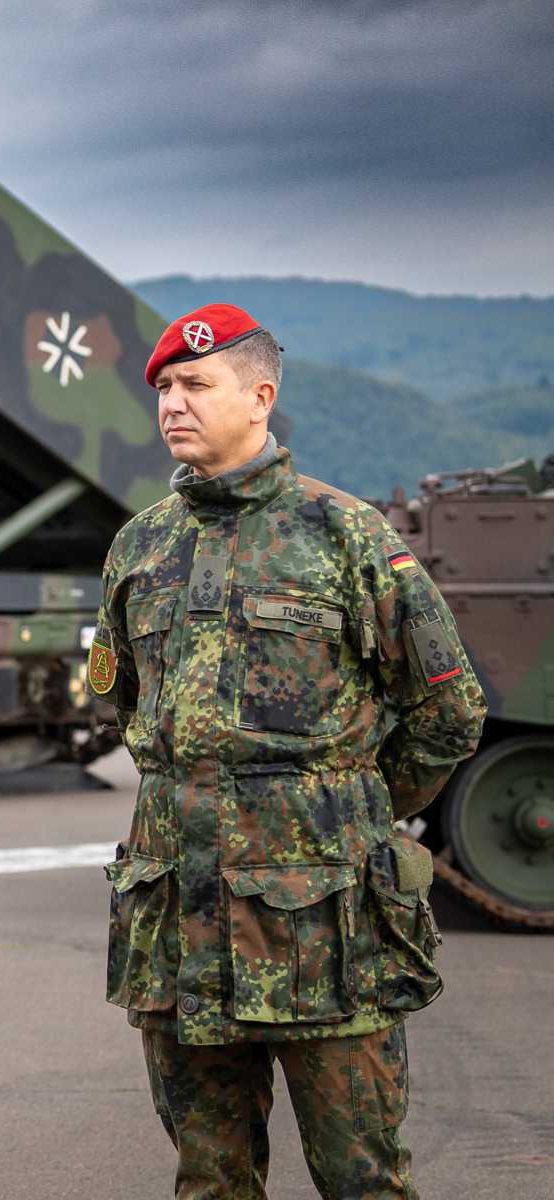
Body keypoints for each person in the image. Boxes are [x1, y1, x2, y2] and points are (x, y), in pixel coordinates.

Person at [89, 304, 486, 1198]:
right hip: (179, 930)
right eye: (164, 389)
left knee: (362, 1180)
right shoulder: (139, 547)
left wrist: (342, 802)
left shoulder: (345, 537)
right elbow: (130, 708)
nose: (173, 405)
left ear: (261, 396)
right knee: (210, 1181)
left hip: (324, 929)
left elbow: (449, 709)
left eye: (196, 384)